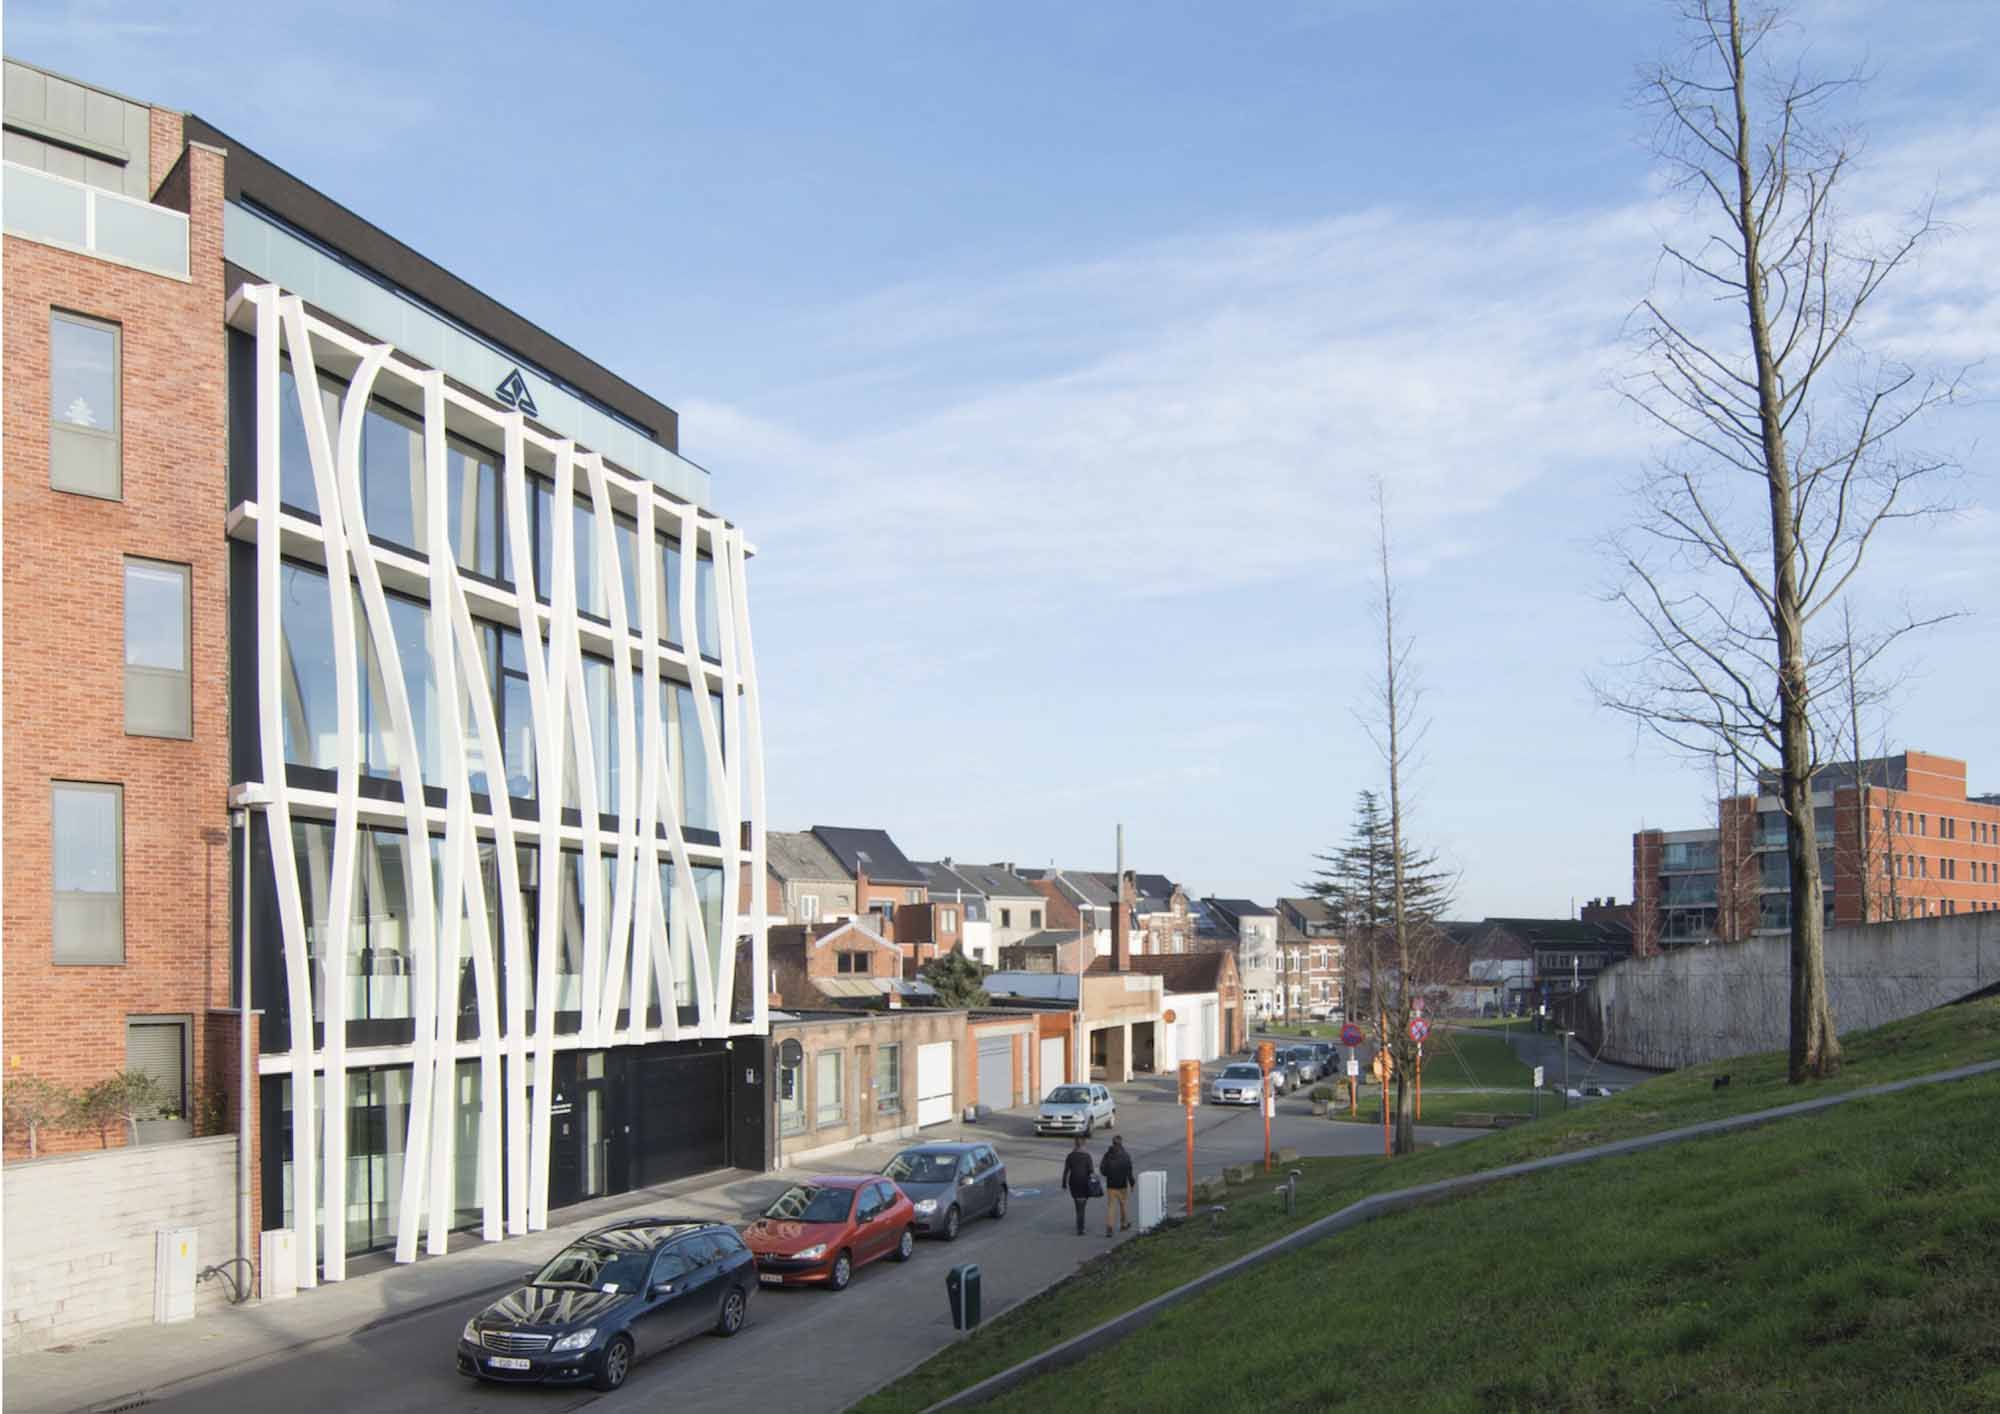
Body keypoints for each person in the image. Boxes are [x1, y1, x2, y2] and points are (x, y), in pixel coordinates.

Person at [1061, 1135, 1095, 1237]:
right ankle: (1081, 1228)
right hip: (1084, 1183)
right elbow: (1091, 1171)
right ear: (1084, 1144)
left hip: (1074, 1182)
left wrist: (1064, 1184)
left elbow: (1066, 1171)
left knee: (1078, 1204)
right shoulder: (1087, 1156)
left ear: (1075, 1144)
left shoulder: (1070, 1156)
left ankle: (1079, 1224)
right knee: (1082, 1206)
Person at [1101, 1135, 1135, 1235]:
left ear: (1113, 1143)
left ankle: (1109, 1228)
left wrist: (1108, 1175)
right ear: (1121, 1143)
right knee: (1123, 1204)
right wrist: (1132, 1183)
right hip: (1122, 1185)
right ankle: (1123, 1224)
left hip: (1111, 1185)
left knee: (1111, 1206)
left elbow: (1102, 1169)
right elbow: (1129, 1171)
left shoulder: (1107, 1155)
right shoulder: (1125, 1155)